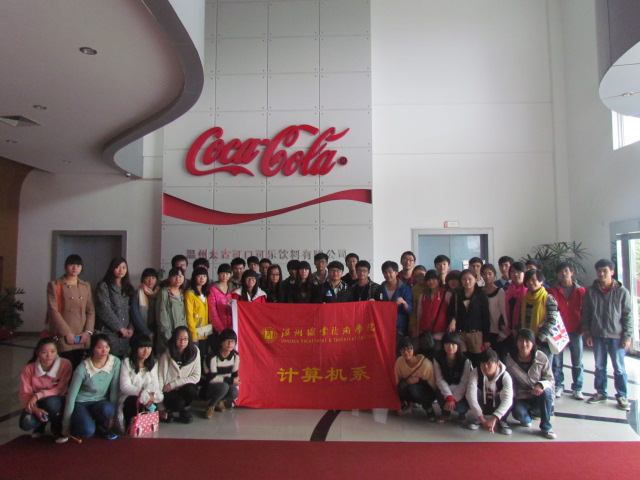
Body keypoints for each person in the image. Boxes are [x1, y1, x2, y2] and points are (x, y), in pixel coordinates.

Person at [582, 259, 632, 411]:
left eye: (605, 270)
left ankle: (622, 395)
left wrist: (627, 336)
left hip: (616, 336)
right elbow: (586, 313)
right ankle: (600, 392)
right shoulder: (591, 291)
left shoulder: (622, 292)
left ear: (612, 272)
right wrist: (587, 333)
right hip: (597, 334)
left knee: (619, 368)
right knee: (599, 366)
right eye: (599, 271)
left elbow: (628, 316)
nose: (601, 274)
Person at [62, 333, 121, 440]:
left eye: (107, 347)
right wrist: (66, 424)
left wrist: (113, 416)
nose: (104, 351)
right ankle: (81, 421)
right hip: (81, 403)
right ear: (93, 348)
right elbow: (71, 397)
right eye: (99, 348)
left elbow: (114, 390)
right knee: (87, 431)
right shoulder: (82, 369)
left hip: (100, 402)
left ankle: (101, 426)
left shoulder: (115, 362)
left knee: (108, 409)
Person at [505, 328, 556, 439]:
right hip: (521, 396)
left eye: (527, 341)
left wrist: (540, 385)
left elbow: (550, 379)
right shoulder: (510, 359)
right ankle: (527, 417)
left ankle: (546, 427)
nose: (524, 344)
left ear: (533, 343)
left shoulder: (541, 356)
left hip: (538, 395)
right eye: (521, 340)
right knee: (519, 414)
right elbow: (508, 381)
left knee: (546, 392)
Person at [19, 337, 72, 443]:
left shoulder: (65, 364)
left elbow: (60, 389)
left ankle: (57, 427)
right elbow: (25, 393)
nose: (49, 356)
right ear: (37, 353)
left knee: (51, 404)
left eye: (53, 352)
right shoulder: (29, 368)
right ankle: (40, 425)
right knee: (26, 424)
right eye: (44, 352)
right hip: (36, 403)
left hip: (56, 401)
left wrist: (38, 395)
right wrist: (35, 409)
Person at [47, 254, 95, 369]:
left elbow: (90, 310)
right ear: (65, 266)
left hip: (82, 334)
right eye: (71, 265)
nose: (75, 268)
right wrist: (66, 333)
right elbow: (53, 311)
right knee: (65, 368)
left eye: (78, 265)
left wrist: (88, 332)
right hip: (64, 334)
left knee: (80, 368)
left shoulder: (85, 286)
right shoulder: (55, 285)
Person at [549, 261, 586, 399]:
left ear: (572, 273)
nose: (563, 274)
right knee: (557, 362)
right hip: (559, 330)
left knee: (577, 361)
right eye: (560, 272)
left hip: (576, 330)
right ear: (557, 275)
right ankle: (559, 385)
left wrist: (584, 328)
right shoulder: (553, 291)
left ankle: (577, 387)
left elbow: (586, 311)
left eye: (566, 271)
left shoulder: (581, 291)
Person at [118, 335, 163, 432]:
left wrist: (150, 395)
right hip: (130, 397)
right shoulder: (127, 362)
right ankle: (130, 427)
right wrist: (142, 393)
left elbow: (155, 383)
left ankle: (144, 426)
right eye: (142, 347)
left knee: (152, 402)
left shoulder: (153, 363)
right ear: (135, 348)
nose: (146, 351)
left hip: (147, 397)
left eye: (149, 347)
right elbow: (125, 386)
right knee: (133, 401)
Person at [157, 326, 201, 424]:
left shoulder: (195, 352)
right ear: (174, 339)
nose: (182, 342)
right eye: (179, 339)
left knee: (192, 389)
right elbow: (160, 378)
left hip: (181, 388)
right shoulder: (166, 354)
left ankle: (184, 411)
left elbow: (196, 376)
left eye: (185, 339)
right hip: (168, 391)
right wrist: (160, 406)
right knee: (177, 403)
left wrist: (174, 384)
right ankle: (169, 410)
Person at [447, 269, 490, 366]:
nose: (467, 282)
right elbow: (450, 312)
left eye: (470, 279)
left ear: (475, 280)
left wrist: (486, 339)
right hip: (460, 333)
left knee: (476, 361)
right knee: (462, 361)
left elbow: (486, 318)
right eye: (464, 279)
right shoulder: (457, 295)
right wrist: (453, 320)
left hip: (476, 334)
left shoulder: (481, 295)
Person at [465, 349, 513, 435]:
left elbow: (508, 399)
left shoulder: (505, 376)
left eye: (489, 363)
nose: (485, 366)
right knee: (474, 392)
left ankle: (501, 420)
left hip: (497, 406)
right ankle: (478, 418)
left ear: (497, 364)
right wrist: (482, 419)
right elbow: (470, 395)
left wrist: (494, 418)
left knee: (506, 396)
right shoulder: (475, 372)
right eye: (483, 363)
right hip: (483, 406)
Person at [95, 257, 134, 358]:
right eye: (118, 267)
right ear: (112, 268)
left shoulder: (128, 288)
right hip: (109, 333)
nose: (121, 270)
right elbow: (104, 309)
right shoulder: (104, 286)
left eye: (124, 267)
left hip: (125, 336)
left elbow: (132, 310)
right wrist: (120, 328)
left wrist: (131, 328)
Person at [520, 269, 559, 362]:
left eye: (533, 279)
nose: (530, 282)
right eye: (528, 280)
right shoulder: (525, 298)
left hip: (543, 341)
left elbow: (551, 320)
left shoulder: (548, 298)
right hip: (528, 340)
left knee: (544, 367)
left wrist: (538, 339)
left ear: (541, 281)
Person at [394, 337, 437, 421]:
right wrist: (397, 402)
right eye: (403, 350)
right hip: (408, 387)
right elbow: (396, 381)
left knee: (413, 388)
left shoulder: (426, 364)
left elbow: (432, 385)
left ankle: (428, 407)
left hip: (426, 391)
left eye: (408, 349)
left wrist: (419, 380)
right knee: (402, 385)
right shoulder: (399, 361)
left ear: (414, 349)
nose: (406, 352)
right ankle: (405, 404)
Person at [433, 332, 472, 423]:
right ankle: (445, 413)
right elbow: (440, 379)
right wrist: (449, 397)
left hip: (460, 390)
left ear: (458, 345)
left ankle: (463, 412)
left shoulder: (465, 361)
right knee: (438, 390)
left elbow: (464, 382)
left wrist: (453, 399)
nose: (450, 346)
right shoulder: (437, 359)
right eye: (447, 343)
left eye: (453, 344)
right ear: (443, 345)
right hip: (446, 388)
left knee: (460, 407)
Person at [202, 329, 241, 418]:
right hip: (209, 387)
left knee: (234, 392)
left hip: (224, 385)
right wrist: (231, 380)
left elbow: (235, 375)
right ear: (221, 342)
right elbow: (211, 379)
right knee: (224, 386)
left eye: (232, 341)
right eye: (227, 341)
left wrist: (235, 381)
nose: (230, 344)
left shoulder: (235, 356)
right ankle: (211, 406)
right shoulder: (212, 357)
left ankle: (219, 401)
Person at [414, 269, 448, 357]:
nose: (431, 282)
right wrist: (417, 329)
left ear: (438, 280)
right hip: (425, 334)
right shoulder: (423, 295)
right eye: (428, 280)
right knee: (425, 358)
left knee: (437, 358)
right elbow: (419, 313)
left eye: (433, 279)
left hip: (440, 333)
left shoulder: (446, 294)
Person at [156, 266, 187, 355]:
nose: (178, 279)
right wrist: (168, 336)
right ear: (169, 278)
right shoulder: (164, 293)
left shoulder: (182, 293)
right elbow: (161, 316)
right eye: (175, 276)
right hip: (168, 335)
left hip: (181, 337)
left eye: (180, 276)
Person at [185, 267, 212, 362]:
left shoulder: (206, 293)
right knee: (195, 357)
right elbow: (189, 315)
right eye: (199, 276)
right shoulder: (190, 293)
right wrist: (193, 334)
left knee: (204, 356)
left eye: (204, 276)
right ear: (194, 277)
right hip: (195, 331)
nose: (202, 278)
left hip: (205, 331)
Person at [481, 264, 509, 351]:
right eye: (484, 274)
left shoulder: (500, 292)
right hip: (482, 331)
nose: (487, 276)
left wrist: (503, 334)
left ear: (495, 274)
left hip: (496, 331)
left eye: (490, 273)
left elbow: (504, 313)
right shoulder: (479, 291)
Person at [129, 268, 159, 338]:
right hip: (141, 329)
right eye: (147, 278)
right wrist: (145, 331)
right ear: (143, 279)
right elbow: (135, 313)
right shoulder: (137, 293)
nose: (150, 281)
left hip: (157, 329)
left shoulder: (159, 293)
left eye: (153, 278)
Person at [209, 264, 233, 336]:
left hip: (232, 327)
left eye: (227, 274)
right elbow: (212, 310)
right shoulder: (213, 289)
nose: (225, 276)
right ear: (218, 274)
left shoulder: (233, 289)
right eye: (222, 273)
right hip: (217, 328)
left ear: (230, 275)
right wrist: (219, 328)